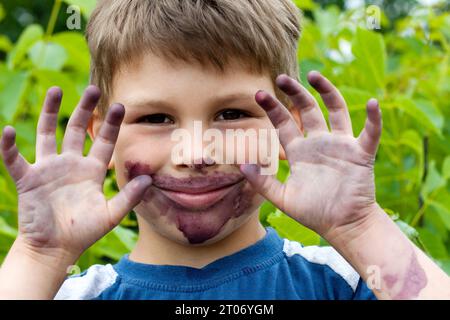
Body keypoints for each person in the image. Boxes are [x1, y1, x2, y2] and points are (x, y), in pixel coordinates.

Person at [0, 0, 448, 300]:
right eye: (157, 119)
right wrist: (39, 255)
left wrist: (360, 227)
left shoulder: (343, 280)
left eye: (232, 115)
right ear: (105, 138)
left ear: (287, 126)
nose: (196, 152)